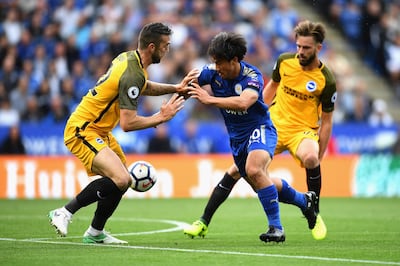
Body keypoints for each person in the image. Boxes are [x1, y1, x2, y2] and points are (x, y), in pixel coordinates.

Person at [184, 20, 335, 241]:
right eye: (298, 46)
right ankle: (305, 202)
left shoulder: (324, 79)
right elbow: (270, 90)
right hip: (265, 124)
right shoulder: (284, 62)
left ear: (318, 48)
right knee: (250, 175)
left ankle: (293, 221)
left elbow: (247, 101)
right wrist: (171, 94)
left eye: (306, 47)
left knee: (300, 160)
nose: (300, 51)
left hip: (294, 130)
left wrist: (213, 100)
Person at [48, 22, 198, 244]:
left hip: (100, 129)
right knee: (120, 178)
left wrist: (175, 88)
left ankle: (95, 232)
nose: (168, 50)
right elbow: (128, 124)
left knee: (122, 180)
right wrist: (161, 117)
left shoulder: (129, 59)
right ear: (151, 47)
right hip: (83, 128)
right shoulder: (132, 73)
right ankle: (65, 212)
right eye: (165, 46)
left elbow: (143, 86)